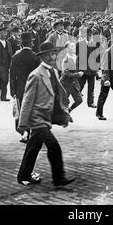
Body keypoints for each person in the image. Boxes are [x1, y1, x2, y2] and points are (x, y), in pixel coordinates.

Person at [16, 42, 75, 187]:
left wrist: (64, 112)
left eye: (54, 54)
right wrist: (22, 124)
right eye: (48, 54)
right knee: (53, 145)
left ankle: (23, 175)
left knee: (33, 147)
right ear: (42, 57)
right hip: (37, 118)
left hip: (46, 117)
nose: (52, 57)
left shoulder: (54, 72)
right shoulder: (35, 75)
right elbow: (27, 101)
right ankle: (58, 178)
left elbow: (58, 94)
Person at [9, 32, 41, 143]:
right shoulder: (35, 57)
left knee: (21, 109)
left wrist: (12, 90)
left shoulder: (15, 57)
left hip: (20, 87)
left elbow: (12, 75)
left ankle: (23, 132)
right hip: (33, 87)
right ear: (31, 43)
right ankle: (32, 132)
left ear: (21, 44)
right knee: (32, 108)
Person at [60, 41, 83, 114]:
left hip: (74, 83)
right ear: (67, 49)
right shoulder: (65, 59)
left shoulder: (75, 56)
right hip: (66, 84)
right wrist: (78, 74)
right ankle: (65, 115)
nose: (74, 47)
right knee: (65, 101)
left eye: (74, 46)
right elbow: (66, 73)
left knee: (79, 100)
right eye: (72, 46)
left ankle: (69, 110)